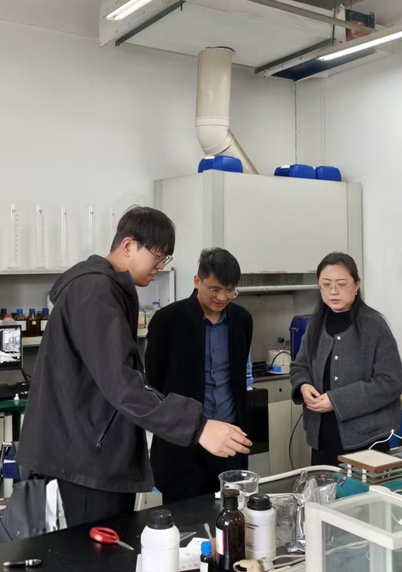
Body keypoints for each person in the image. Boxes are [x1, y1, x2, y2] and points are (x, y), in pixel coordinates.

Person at [18, 207, 251, 528]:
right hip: (87, 458)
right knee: (97, 553)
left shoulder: (107, 289)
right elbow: (123, 384)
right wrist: (198, 426)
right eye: (158, 256)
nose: (160, 266)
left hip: (95, 452)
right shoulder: (95, 291)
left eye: (165, 259)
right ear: (128, 245)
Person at [146, 248, 254, 504]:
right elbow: (155, 382)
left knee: (232, 512)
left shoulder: (242, 320)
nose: (222, 297)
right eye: (215, 289)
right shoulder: (167, 321)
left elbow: (238, 378)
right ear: (197, 281)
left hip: (230, 438)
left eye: (230, 291)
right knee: (185, 518)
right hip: (183, 443)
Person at [290, 253, 402, 467]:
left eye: (341, 284)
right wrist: (303, 385)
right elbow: (300, 365)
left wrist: (336, 400)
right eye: (326, 284)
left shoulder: (374, 326)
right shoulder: (316, 323)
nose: (333, 291)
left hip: (366, 440)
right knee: (325, 487)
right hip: (322, 436)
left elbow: (391, 382)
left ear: (356, 285)